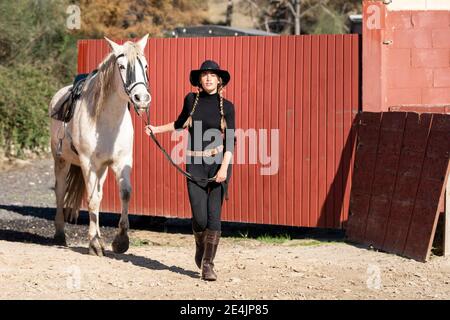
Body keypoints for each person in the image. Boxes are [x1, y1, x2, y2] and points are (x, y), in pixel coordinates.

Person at [145, 60, 235, 281]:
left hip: (218, 165)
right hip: (194, 164)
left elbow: (231, 141)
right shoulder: (191, 101)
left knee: (214, 216)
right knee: (200, 218)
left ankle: (208, 265)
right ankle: (199, 244)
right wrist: (155, 129)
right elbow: (179, 123)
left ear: (219, 79)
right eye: (205, 75)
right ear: (199, 80)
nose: (208, 78)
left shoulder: (228, 106)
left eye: (212, 75)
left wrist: (224, 168)